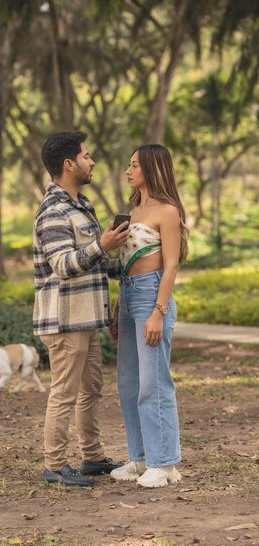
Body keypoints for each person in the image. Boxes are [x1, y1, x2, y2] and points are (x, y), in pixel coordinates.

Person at [33, 131, 130, 487]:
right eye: (87, 156)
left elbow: (97, 264)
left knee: (91, 389)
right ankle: (55, 465)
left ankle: (92, 457)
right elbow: (63, 265)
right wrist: (102, 245)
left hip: (87, 317)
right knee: (64, 391)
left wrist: (132, 264)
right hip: (63, 320)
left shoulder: (82, 207)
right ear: (69, 164)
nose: (92, 162)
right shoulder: (53, 212)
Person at [109, 144, 188, 488]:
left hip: (151, 296)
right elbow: (124, 263)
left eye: (135, 165)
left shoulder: (167, 211)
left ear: (153, 169)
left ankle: (164, 463)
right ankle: (140, 458)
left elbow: (171, 265)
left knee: (152, 382)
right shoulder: (133, 210)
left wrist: (158, 312)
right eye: (129, 165)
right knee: (127, 383)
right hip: (128, 296)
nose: (128, 170)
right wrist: (117, 308)